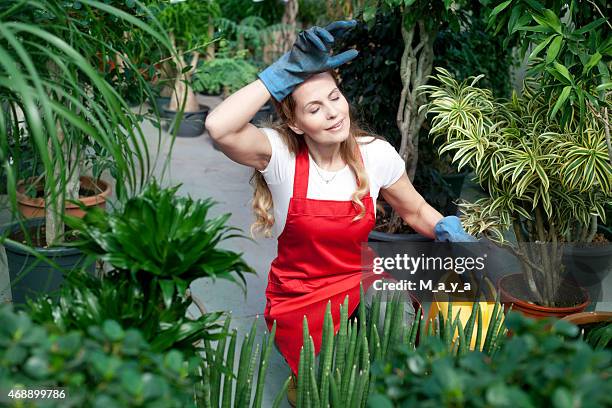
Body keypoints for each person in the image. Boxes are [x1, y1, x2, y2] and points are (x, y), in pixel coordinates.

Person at [205, 20, 474, 405]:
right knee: (329, 387)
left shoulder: (375, 155)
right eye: (314, 108)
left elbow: (415, 210)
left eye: (334, 97)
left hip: (358, 276)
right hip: (300, 294)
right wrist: (277, 75)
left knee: (395, 325)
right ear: (296, 123)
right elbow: (218, 127)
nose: (333, 113)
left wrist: (447, 228)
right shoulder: (280, 155)